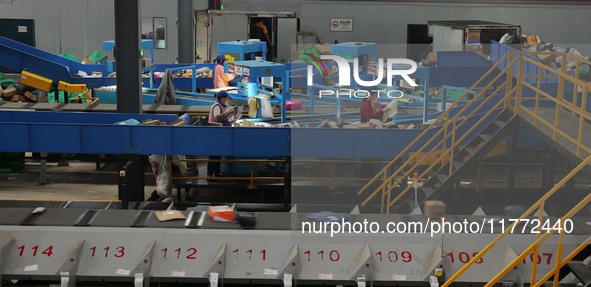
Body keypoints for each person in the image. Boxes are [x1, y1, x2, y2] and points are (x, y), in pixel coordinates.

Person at [207, 90, 240, 177]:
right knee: (214, 155)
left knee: (218, 154)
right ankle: (210, 175)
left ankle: (217, 172)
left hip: (220, 133)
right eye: (227, 98)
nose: (228, 100)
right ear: (223, 98)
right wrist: (228, 112)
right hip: (216, 134)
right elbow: (217, 117)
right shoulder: (217, 106)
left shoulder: (222, 106)